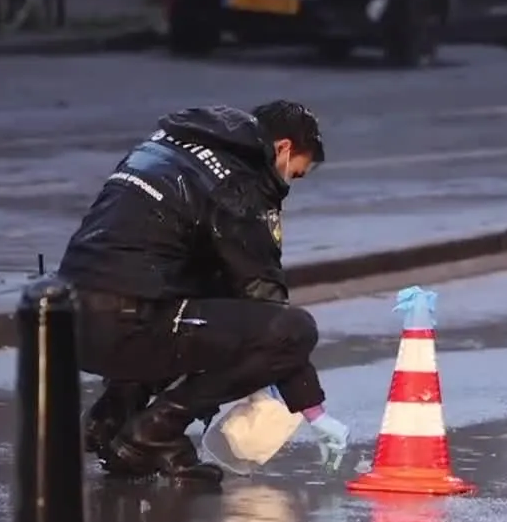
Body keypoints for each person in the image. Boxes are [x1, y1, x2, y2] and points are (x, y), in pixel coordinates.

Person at [55, 101, 350, 487]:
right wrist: (313, 409)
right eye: (295, 174)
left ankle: (110, 419)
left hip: (67, 320)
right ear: (282, 149)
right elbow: (263, 301)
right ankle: (155, 431)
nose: (288, 185)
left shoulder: (165, 145)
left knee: (197, 293)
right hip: (126, 325)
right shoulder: (237, 184)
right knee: (293, 330)